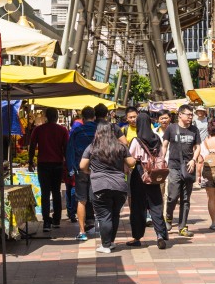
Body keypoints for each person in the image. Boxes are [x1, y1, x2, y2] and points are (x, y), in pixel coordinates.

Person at [79, 122, 135, 254]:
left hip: (99, 186)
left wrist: (89, 172)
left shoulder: (92, 147)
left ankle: (105, 245)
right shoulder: (120, 146)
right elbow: (131, 162)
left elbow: (82, 166)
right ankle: (110, 242)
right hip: (120, 186)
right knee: (115, 214)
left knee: (104, 216)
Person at [127, 111, 169, 250]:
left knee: (138, 207)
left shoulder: (136, 140)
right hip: (154, 175)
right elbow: (162, 155)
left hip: (139, 174)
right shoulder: (157, 138)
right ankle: (160, 235)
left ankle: (137, 237)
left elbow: (131, 160)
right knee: (156, 204)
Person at [161, 103, 201, 238]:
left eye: (191, 115)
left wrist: (193, 160)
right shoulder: (171, 128)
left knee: (185, 198)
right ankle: (169, 217)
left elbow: (197, 147)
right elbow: (164, 145)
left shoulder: (194, 130)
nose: (190, 117)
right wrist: (162, 160)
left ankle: (182, 227)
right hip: (173, 166)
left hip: (188, 168)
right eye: (188, 114)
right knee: (172, 196)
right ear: (180, 115)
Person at [28, 107, 69, 232]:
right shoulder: (62, 130)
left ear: (46, 116)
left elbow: (32, 146)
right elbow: (66, 148)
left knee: (45, 193)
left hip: (43, 164)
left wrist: (30, 161)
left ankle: (46, 222)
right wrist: (66, 163)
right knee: (56, 192)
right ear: (56, 117)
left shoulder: (38, 130)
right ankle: (56, 219)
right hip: (57, 164)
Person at [66, 105, 100, 241]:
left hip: (80, 169)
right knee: (97, 198)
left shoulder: (76, 131)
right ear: (94, 117)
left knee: (82, 200)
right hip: (98, 169)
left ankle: (82, 232)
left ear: (83, 118)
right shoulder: (99, 131)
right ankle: (100, 229)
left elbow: (69, 151)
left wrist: (71, 168)